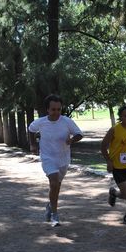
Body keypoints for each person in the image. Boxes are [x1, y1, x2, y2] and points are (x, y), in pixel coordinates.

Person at [28, 94, 83, 227]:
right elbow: (31, 130)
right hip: (47, 157)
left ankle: (50, 205)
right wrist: (33, 144)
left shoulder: (66, 121)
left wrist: (72, 140)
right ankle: (55, 215)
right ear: (47, 109)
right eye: (53, 109)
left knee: (56, 187)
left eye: (59, 109)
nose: (56, 112)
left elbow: (79, 134)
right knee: (53, 183)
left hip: (63, 159)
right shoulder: (41, 122)